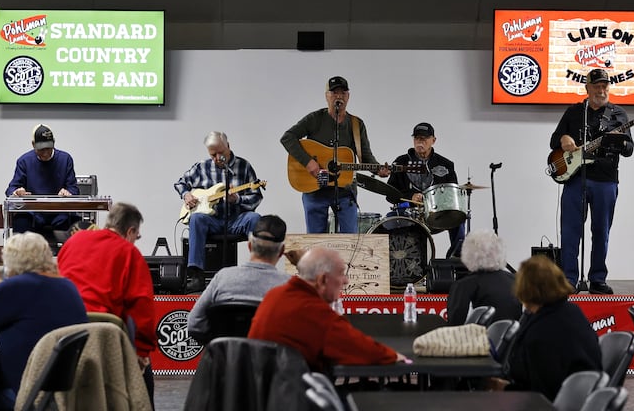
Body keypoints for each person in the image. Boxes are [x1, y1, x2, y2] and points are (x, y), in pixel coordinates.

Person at [0, 232, 88, 410]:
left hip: (27, 391)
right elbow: (20, 304)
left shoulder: (19, 286)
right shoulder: (66, 286)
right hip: (57, 392)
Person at [56, 202, 156, 406]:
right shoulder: (129, 253)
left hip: (64, 337)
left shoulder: (74, 242)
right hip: (106, 337)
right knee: (145, 381)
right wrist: (142, 353)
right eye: (137, 237)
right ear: (130, 231)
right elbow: (141, 307)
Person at [247, 247, 408, 371]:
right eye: (341, 273)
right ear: (322, 280)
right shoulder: (315, 313)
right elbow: (363, 350)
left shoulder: (274, 295)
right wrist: (394, 356)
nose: (345, 281)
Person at [550, 68, 634, 294]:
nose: (601, 89)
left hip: (606, 180)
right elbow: (553, 141)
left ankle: (597, 279)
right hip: (576, 179)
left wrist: (620, 142)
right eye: (596, 86)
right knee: (570, 231)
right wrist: (564, 138)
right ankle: (569, 279)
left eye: (605, 85)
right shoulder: (574, 112)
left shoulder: (618, 114)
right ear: (587, 88)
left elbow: (629, 150)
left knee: (601, 231)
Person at [281, 76, 389, 234]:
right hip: (314, 188)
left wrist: (377, 169)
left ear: (348, 96)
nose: (339, 96)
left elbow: (365, 156)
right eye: (334, 92)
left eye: (343, 93)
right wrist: (308, 162)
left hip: (345, 190)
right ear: (327, 96)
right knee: (316, 241)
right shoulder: (315, 118)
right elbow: (287, 138)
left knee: (349, 241)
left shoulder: (356, 124)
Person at [174, 131, 263, 293]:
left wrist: (237, 199)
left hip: (237, 219)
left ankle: (257, 270)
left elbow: (256, 197)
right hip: (212, 221)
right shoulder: (201, 167)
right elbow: (180, 183)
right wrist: (186, 195)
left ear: (228, 147)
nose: (217, 158)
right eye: (213, 154)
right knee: (196, 219)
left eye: (220, 153)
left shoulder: (244, 167)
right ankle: (196, 276)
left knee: (255, 218)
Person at [503, 255, 602, 401]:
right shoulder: (571, 311)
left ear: (524, 289)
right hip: (583, 399)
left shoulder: (540, 334)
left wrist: (504, 389)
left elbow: (541, 396)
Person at [187, 214, 291, 344]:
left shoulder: (222, 278)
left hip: (224, 361)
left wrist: (219, 345)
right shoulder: (288, 285)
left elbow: (194, 324)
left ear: (249, 245)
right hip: (267, 362)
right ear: (281, 252)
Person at [387, 122, 465, 257]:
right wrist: (411, 196)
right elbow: (389, 194)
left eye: (424, 138)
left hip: (437, 214)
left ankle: (455, 260)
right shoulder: (400, 162)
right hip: (408, 213)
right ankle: (396, 264)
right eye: (417, 138)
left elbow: (453, 195)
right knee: (388, 221)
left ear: (433, 140)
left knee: (458, 219)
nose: (420, 142)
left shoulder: (446, 164)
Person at [5, 123, 80, 235]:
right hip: (33, 214)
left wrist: (68, 192)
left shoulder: (65, 159)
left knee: (76, 225)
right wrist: (17, 192)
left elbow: (74, 189)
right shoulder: (24, 161)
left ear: (54, 143)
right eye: (41, 149)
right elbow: (11, 189)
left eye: (49, 148)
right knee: (20, 222)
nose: (45, 153)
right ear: (33, 145)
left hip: (60, 213)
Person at [445, 229, 522, 326]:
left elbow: (455, 325)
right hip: (511, 339)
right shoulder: (517, 281)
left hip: (480, 339)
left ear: (467, 253)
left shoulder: (463, 286)